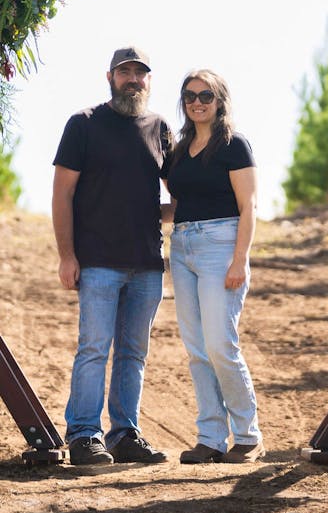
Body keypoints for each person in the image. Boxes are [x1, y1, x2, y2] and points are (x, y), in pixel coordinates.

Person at [52, 45, 175, 466]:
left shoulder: (160, 128)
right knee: (93, 348)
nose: (133, 80)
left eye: (140, 73)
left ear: (148, 80)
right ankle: (84, 434)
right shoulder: (83, 124)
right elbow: (62, 194)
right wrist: (67, 256)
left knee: (133, 353)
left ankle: (124, 434)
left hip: (147, 264)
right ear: (110, 78)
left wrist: (157, 211)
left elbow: (180, 194)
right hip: (98, 261)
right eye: (125, 72)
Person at [167, 68, 264, 464]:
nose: (197, 102)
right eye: (190, 96)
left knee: (220, 344)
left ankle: (248, 436)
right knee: (196, 349)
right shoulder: (179, 150)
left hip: (221, 247)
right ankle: (210, 438)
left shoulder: (233, 145)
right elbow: (180, 205)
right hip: (182, 247)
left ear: (219, 101)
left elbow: (249, 207)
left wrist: (239, 260)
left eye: (205, 95)